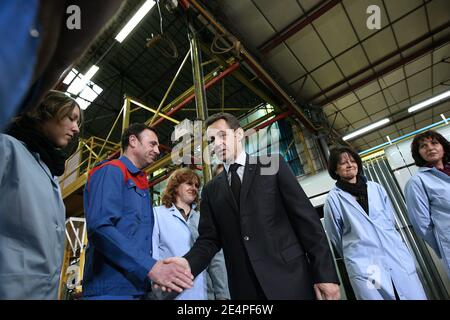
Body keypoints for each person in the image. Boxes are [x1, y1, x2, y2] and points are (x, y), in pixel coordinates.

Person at [165, 112, 340, 300]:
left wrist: (325, 274)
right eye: (211, 140)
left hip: (291, 279)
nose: (216, 144)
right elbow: (209, 240)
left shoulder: (271, 165)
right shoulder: (210, 190)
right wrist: (188, 263)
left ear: (239, 134)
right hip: (245, 288)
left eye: (223, 135)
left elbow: (307, 223)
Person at [82, 123, 193, 300]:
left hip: (138, 287)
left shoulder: (141, 184)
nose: (157, 150)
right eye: (153, 144)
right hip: (110, 288)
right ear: (133, 141)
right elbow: (100, 228)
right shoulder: (111, 170)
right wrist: (150, 267)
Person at [0, 90, 81, 299]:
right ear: (47, 112)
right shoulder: (7, 148)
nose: (76, 128)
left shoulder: (49, 172)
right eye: (71, 118)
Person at [0, 0, 124, 130]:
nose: (76, 129)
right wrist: (33, 98)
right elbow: (68, 48)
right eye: (71, 118)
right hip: (16, 38)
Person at [323, 147, 427, 300]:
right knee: (377, 295)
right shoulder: (333, 199)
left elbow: (390, 220)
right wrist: (358, 251)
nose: (349, 165)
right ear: (335, 170)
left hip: (394, 255)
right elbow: (335, 236)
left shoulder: (375, 188)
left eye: (352, 161)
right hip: (367, 265)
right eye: (343, 163)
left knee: (410, 293)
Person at [152, 168, 230, 300]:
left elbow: (216, 260)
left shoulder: (203, 218)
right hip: (170, 293)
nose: (194, 188)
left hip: (204, 294)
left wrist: (223, 295)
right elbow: (153, 253)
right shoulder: (157, 214)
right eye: (189, 183)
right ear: (175, 187)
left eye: (197, 185)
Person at [405, 130, 450, 278]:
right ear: (419, 153)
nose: (430, 148)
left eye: (434, 143)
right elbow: (421, 224)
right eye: (423, 146)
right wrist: (443, 245)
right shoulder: (417, 182)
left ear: (443, 147)